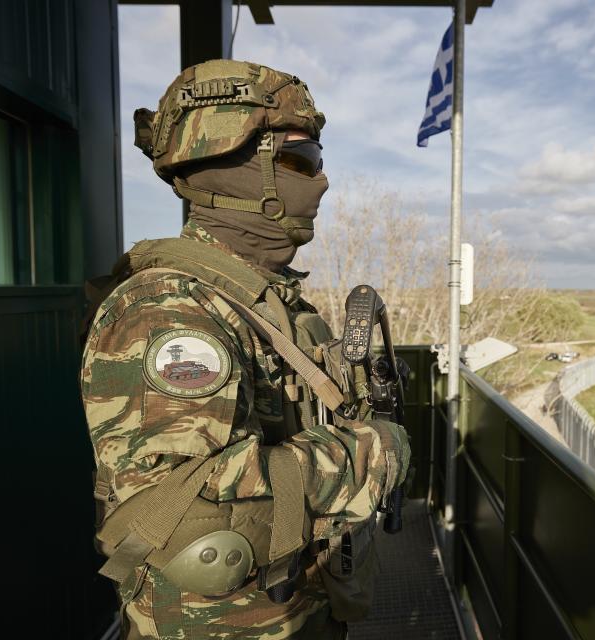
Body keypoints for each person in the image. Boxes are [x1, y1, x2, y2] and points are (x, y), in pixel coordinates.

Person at [81, 59, 411, 639]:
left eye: (318, 161)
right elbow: (187, 523)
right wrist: (371, 455)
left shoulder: (257, 298)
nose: (322, 181)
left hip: (294, 607)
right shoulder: (172, 310)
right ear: (231, 168)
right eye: (301, 161)